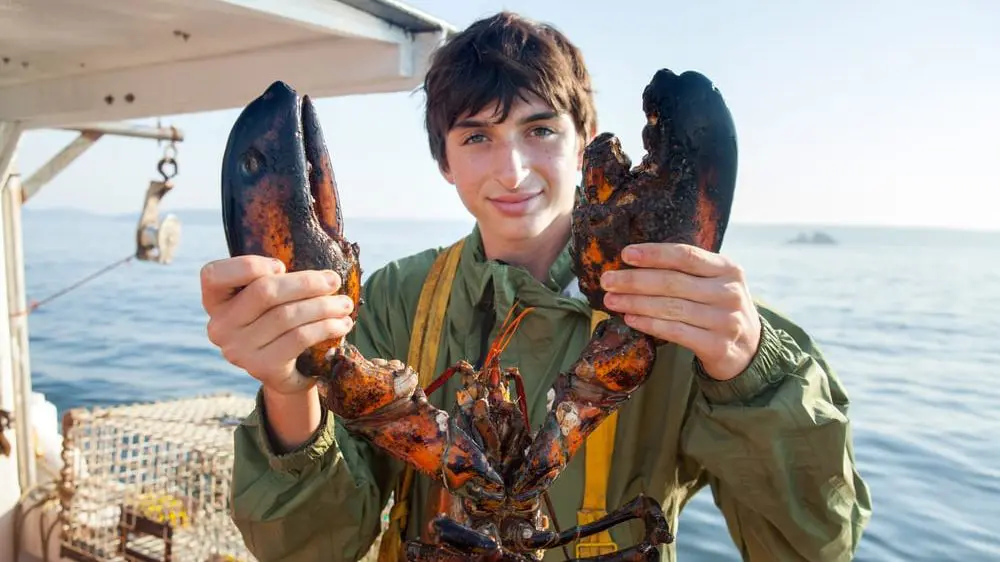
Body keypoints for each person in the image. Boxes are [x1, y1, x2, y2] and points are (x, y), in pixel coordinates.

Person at [200, 11, 871, 562]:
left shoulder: (689, 315)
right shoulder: (391, 301)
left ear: (583, 144)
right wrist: (291, 391)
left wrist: (750, 369)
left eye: (540, 129)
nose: (513, 169)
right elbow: (312, 550)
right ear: (445, 162)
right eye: (477, 138)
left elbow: (814, 546)